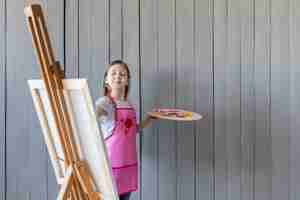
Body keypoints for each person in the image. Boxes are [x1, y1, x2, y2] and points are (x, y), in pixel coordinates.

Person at [95, 60, 156, 200]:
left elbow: (131, 131)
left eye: (122, 74)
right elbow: (95, 112)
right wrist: (96, 113)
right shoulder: (105, 102)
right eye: (113, 73)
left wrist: (149, 119)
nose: (118, 76)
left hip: (128, 165)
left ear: (127, 81)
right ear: (106, 80)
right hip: (111, 166)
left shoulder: (129, 105)